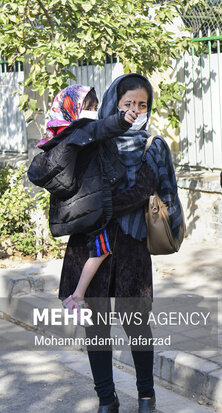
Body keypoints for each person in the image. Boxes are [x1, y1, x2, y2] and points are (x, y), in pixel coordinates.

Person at [57, 73, 183, 413]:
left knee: (137, 323)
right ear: (114, 103)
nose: (135, 111)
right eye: (128, 104)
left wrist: (172, 230)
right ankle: (106, 401)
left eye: (142, 105)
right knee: (96, 326)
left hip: (131, 245)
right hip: (91, 245)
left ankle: (146, 399)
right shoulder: (94, 141)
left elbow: (158, 191)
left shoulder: (153, 145)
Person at [31, 84, 140, 314]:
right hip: (94, 209)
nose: (94, 111)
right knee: (101, 251)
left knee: (97, 251)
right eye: (90, 106)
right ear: (76, 109)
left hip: (85, 207)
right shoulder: (82, 131)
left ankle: (75, 296)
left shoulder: (66, 136)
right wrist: (122, 119)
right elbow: (103, 127)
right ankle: (76, 298)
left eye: (96, 106)